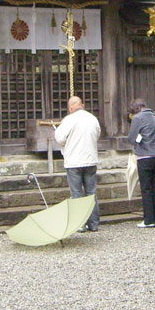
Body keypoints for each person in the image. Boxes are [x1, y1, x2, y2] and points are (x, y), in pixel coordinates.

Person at [54, 96, 101, 232]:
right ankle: (93, 223)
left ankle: (80, 224)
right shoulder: (92, 118)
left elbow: (59, 138)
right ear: (82, 105)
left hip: (74, 161)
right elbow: (97, 134)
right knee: (91, 192)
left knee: (76, 193)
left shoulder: (69, 120)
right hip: (90, 159)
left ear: (70, 108)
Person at [127, 98, 155, 228]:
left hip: (144, 156)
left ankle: (148, 220)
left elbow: (131, 138)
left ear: (136, 108)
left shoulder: (137, 118)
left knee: (146, 189)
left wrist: (137, 141)